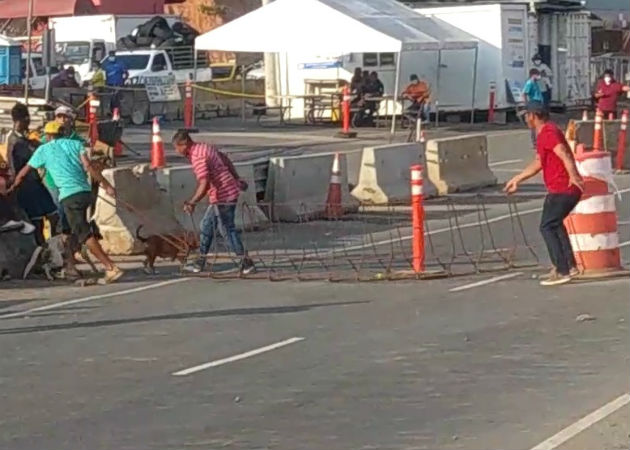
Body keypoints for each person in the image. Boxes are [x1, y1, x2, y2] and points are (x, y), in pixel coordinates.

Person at [7, 121, 124, 284]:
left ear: (48, 136)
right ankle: (70, 267)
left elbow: (23, 173)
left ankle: (110, 267)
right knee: (66, 231)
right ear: (63, 133)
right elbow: (89, 166)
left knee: (83, 232)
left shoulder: (43, 150)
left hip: (69, 196)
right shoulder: (76, 145)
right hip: (85, 192)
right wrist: (106, 185)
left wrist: (11, 188)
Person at [504, 101, 584, 286]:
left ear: (533, 116)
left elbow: (563, 152)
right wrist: (517, 179)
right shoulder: (545, 134)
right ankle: (569, 266)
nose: (525, 119)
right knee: (555, 224)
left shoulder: (548, 132)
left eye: (526, 115)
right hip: (564, 188)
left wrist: (573, 176)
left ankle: (562, 270)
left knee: (547, 226)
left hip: (563, 188)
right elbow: (539, 162)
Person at [171, 130, 255, 275]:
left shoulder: (198, 157)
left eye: (176, 147)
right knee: (206, 225)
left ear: (184, 144)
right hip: (226, 191)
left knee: (226, 229)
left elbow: (203, 184)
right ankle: (200, 261)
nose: (176, 151)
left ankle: (245, 262)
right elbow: (225, 159)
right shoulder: (204, 147)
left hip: (223, 196)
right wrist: (236, 179)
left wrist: (192, 202)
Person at [6, 103, 57, 245]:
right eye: (26, 119)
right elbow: (13, 167)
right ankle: (43, 250)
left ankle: (54, 246)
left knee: (54, 216)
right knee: (38, 223)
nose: (29, 122)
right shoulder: (14, 141)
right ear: (19, 120)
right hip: (26, 187)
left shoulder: (24, 138)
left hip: (36, 184)